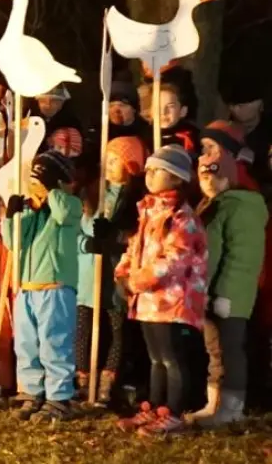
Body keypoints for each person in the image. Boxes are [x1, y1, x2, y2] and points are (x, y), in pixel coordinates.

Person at [114, 146, 208, 437]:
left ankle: (175, 411)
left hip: (173, 300)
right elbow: (136, 245)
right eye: (150, 169)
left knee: (171, 357)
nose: (150, 174)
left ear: (177, 179)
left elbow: (173, 261)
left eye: (158, 170)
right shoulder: (149, 211)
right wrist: (123, 272)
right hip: (148, 301)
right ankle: (155, 407)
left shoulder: (181, 217)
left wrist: (138, 280)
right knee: (155, 357)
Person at [187, 123, 267, 426]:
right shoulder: (209, 206)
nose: (209, 183)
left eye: (215, 176)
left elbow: (241, 256)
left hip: (230, 294)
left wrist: (225, 293)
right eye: (204, 177)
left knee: (230, 348)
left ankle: (232, 406)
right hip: (208, 291)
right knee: (214, 350)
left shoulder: (242, 206)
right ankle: (214, 403)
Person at [2, 151, 80, 423]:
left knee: (54, 343)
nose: (33, 188)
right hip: (28, 286)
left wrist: (52, 193)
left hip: (55, 286)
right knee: (26, 344)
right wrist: (13, 217)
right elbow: (13, 242)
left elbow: (64, 214)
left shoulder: (70, 205)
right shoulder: (32, 213)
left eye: (39, 182)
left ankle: (59, 397)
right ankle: (32, 391)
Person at [78, 136, 147, 406]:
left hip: (115, 274)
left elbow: (135, 236)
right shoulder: (93, 193)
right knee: (84, 329)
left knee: (117, 330)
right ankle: (84, 383)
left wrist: (114, 237)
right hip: (90, 275)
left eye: (117, 159)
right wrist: (89, 242)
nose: (110, 164)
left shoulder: (136, 201)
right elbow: (83, 227)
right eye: (108, 158)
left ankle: (108, 383)